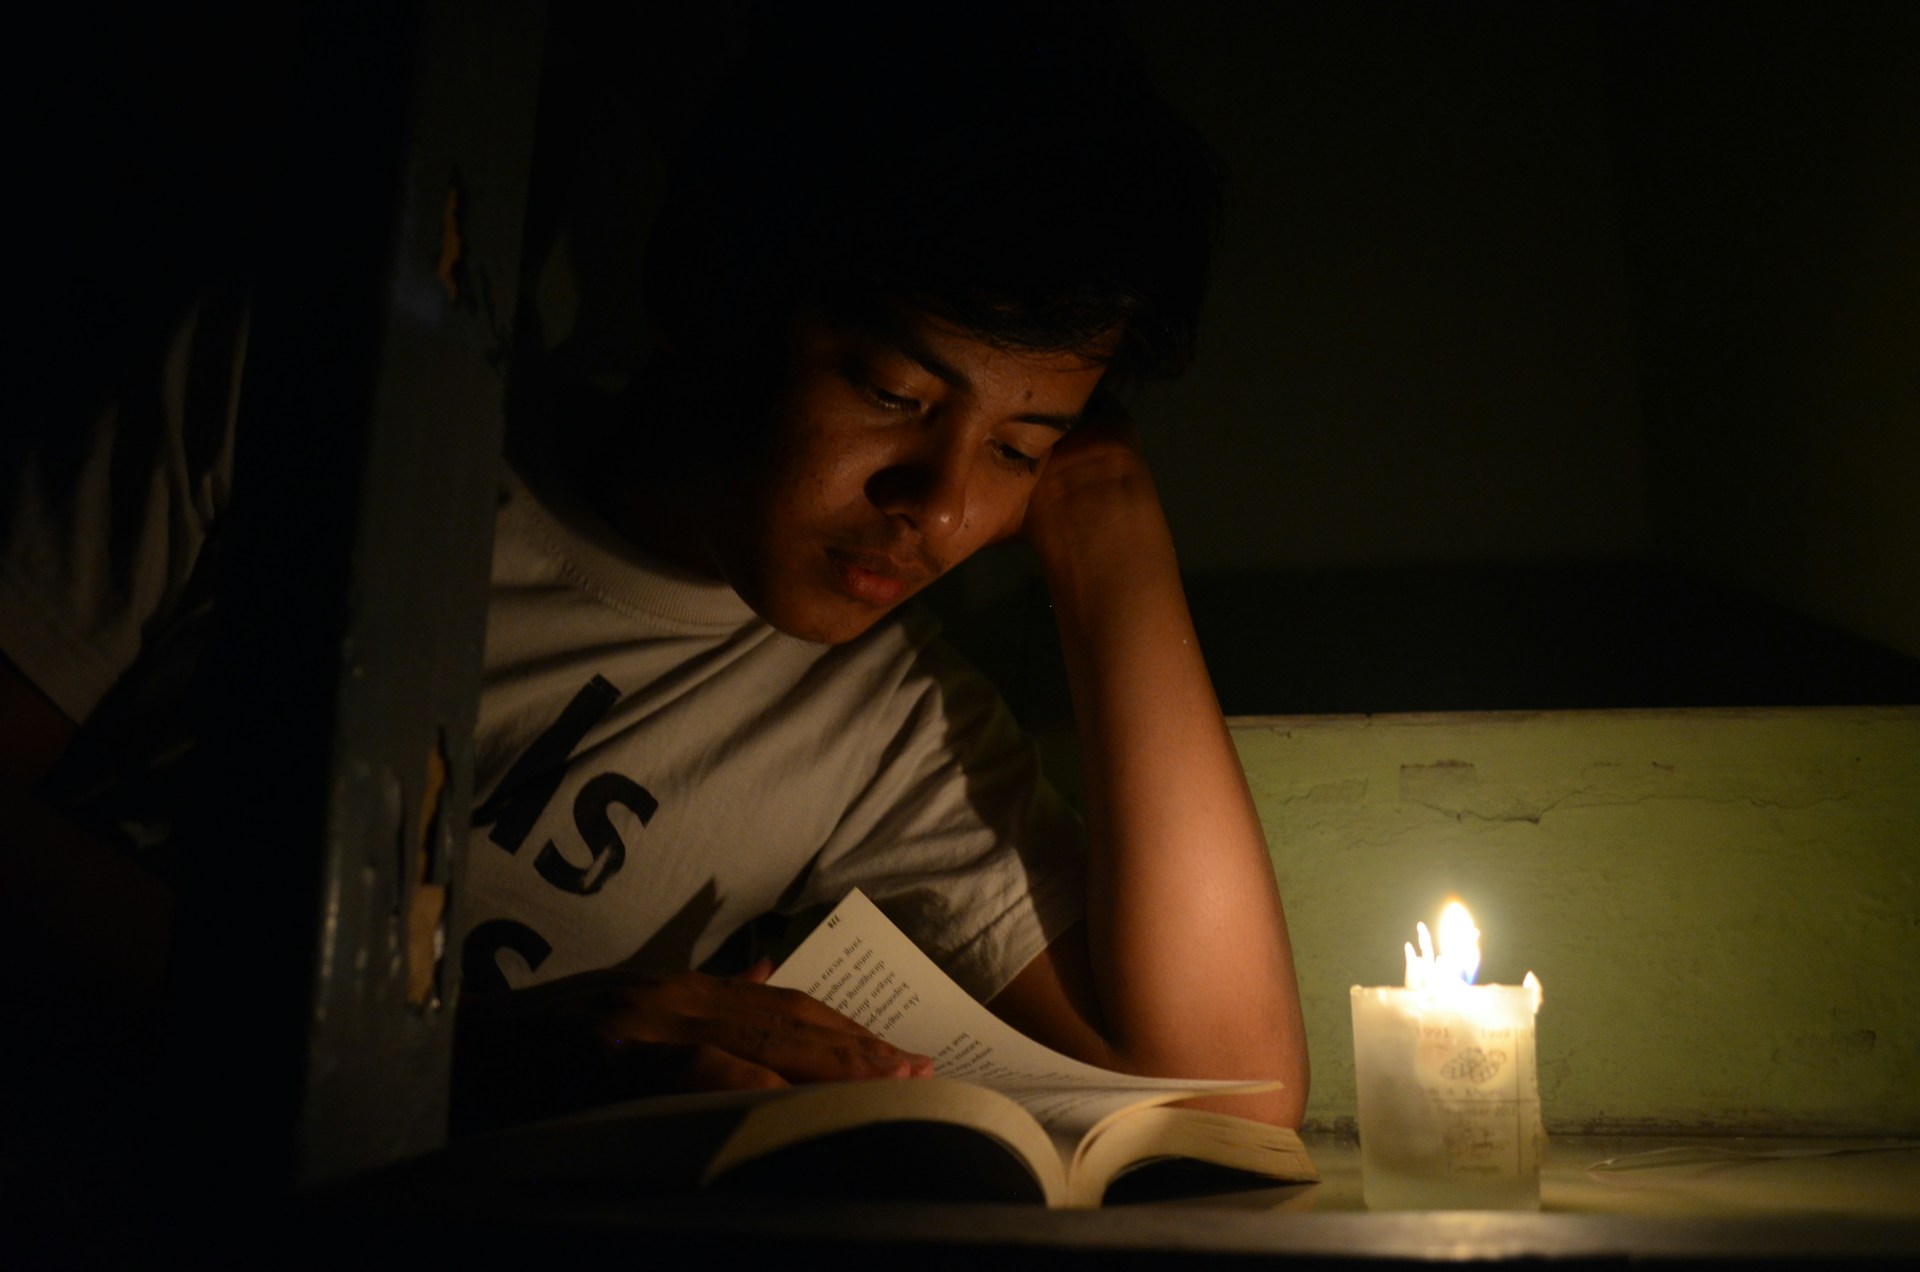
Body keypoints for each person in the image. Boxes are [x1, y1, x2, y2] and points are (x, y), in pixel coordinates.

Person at [1, 2, 1307, 1144]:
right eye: (892, 392)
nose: (944, 507)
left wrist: (1110, 531)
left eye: (1022, 447)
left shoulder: (881, 725)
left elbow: (1231, 1096)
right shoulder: (320, 396)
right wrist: (455, 1060)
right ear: (714, 283)